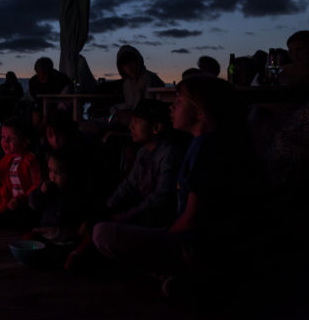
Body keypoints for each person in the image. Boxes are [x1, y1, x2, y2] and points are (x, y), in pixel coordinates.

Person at [91, 76, 262, 304]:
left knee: (103, 234)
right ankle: (182, 277)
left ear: (201, 113)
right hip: (199, 241)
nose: (171, 106)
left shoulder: (206, 149)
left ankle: (196, 277)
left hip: (200, 247)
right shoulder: (200, 143)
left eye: (179, 101)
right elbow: (130, 186)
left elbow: (191, 218)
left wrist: (163, 234)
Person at [103, 99, 185, 227]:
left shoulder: (169, 154)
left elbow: (161, 198)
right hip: (144, 211)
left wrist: (125, 216)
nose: (131, 126)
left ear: (156, 127)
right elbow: (129, 185)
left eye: (137, 122)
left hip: (161, 219)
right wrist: (107, 206)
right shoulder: (143, 152)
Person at [0, 117, 41, 225]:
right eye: (3, 137)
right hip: (7, 204)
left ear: (25, 142)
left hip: (26, 207)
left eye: (11, 138)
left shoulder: (30, 160)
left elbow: (38, 184)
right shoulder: (5, 160)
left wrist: (20, 200)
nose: (5, 141)